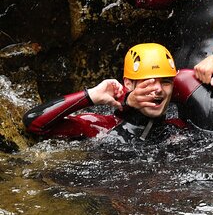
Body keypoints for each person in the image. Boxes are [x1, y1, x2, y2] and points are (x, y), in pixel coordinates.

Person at [23, 43, 179, 142]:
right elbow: (34, 122)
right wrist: (90, 96)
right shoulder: (100, 127)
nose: (158, 89)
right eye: (149, 82)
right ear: (128, 84)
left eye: (166, 82)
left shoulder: (179, 129)